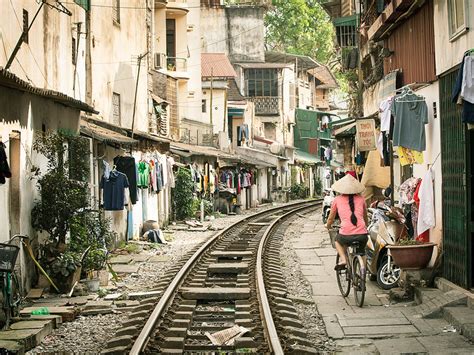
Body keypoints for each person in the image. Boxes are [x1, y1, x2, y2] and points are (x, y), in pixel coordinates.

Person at [325, 174, 368, 270]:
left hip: (345, 235)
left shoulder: (337, 200)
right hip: (362, 235)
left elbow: (331, 218)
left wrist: (328, 226)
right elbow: (365, 217)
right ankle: (363, 274)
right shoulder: (361, 199)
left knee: (337, 241)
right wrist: (366, 227)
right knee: (362, 253)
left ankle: (344, 260)